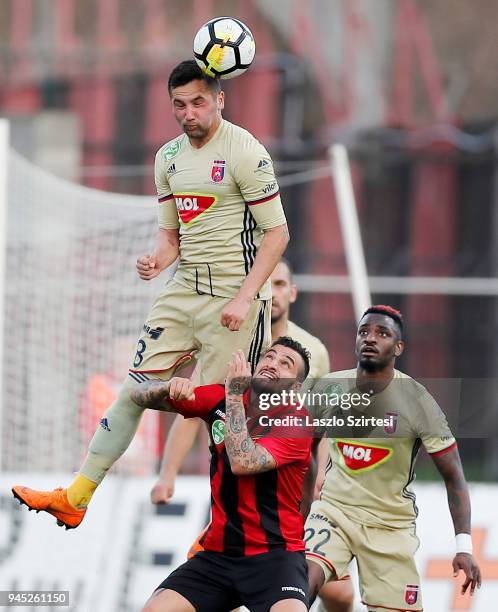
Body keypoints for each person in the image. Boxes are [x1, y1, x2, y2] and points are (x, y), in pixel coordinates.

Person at [12, 59, 289, 529]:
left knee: (225, 414)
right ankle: (76, 497)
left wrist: (245, 297)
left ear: (220, 99)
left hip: (233, 297)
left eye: (199, 102)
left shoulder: (246, 151)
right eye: (179, 105)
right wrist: (156, 259)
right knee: (132, 391)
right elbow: (171, 238)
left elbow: (278, 234)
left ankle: (231, 528)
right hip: (181, 292)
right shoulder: (168, 158)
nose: (189, 113)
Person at [151, 257, 354, 611]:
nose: (272, 294)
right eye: (267, 284)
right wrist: (167, 472)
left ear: (292, 293)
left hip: (291, 480)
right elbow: (191, 407)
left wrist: (324, 474)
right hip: (228, 531)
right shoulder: (234, 336)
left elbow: (324, 422)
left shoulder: (312, 354)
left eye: (280, 285)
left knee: (339, 594)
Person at [306, 305, 482, 611]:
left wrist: (463, 546)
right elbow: (303, 451)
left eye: (382, 333)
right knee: (297, 582)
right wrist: (303, 508)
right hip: (333, 512)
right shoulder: (328, 388)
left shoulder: (418, 402)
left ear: (398, 347)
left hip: (389, 525)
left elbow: (453, 475)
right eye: (364, 332)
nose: (371, 339)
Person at [134, 337, 313, 612]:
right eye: (270, 357)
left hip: (276, 557)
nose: (273, 364)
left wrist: (233, 394)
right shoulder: (220, 396)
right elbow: (137, 394)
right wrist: (168, 386)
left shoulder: (296, 421)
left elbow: (242, 462)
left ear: (295, 387)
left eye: (285, 364)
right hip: (219, 555)